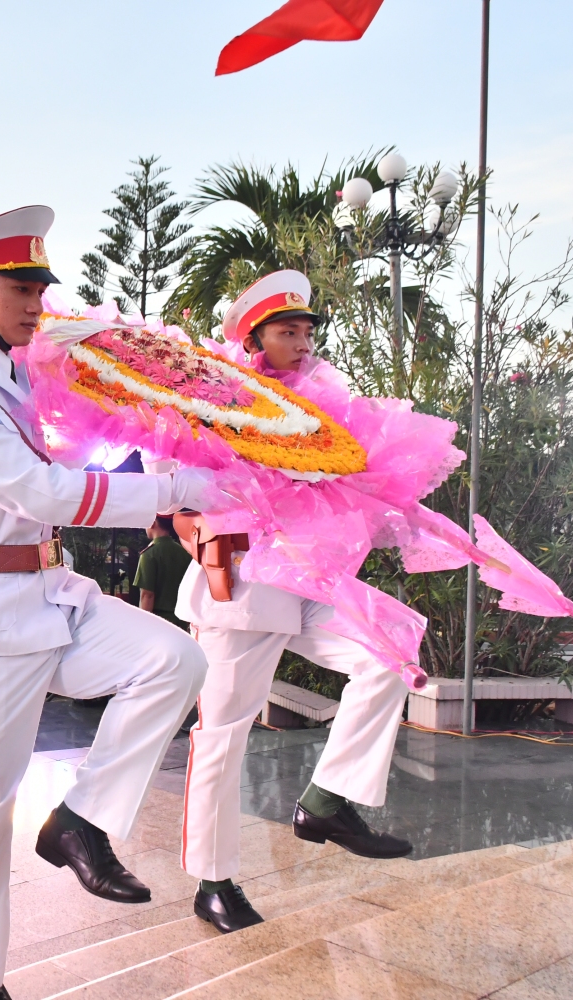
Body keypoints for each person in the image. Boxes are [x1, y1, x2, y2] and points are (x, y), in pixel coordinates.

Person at [0, 207, 213, 999]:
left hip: (53, 596)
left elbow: (85, 437)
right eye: (20, 288)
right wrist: (176, 490)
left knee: (175, 660)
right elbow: (38, 491)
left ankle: (80, 820)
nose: (37, 304)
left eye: (41, 288)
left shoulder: (14, 379)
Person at [173, 269, 413, 936]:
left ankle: (326, 800)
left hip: (307, 584)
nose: (303, 342)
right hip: (240, 590)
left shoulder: (320, 408)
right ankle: (213, 882)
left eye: (307, 330)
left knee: (391, 651)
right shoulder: (216, 405)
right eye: (287, 331)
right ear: (254, 341)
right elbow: (175, 490)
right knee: (223, 737)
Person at [133, 516, 193, 629]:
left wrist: (143, 626)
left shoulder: (149, 554)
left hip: (158, 622)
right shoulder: (184, 552)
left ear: (153, 523)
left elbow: (147, 595)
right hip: (182, 621)